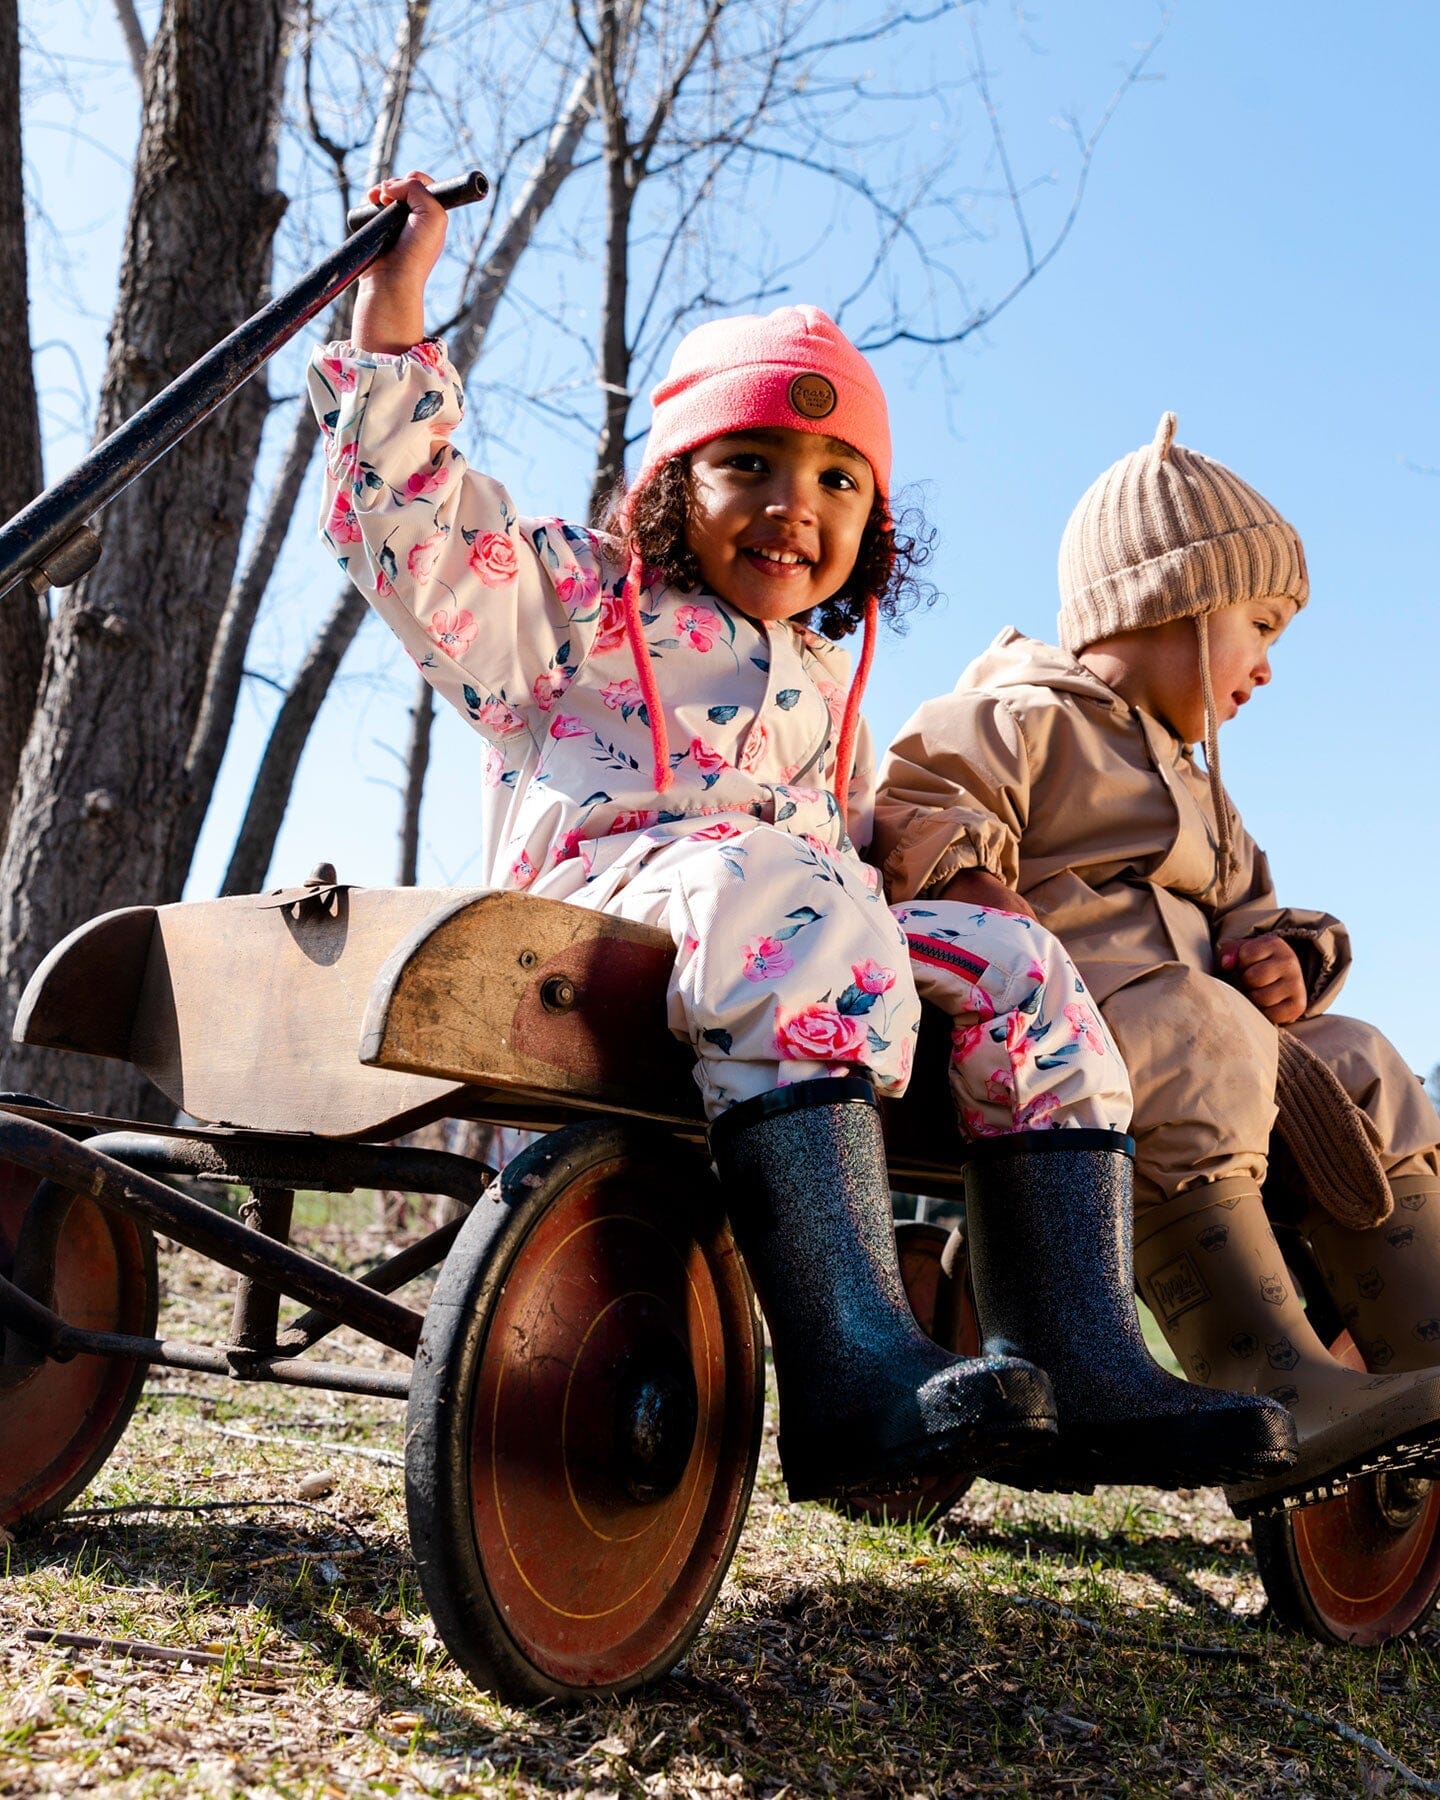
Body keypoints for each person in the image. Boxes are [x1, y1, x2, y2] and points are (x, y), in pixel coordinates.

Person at [308, 176, 1292, 1502]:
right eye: (750, 465)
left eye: (839, 479)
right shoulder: (581, 607)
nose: (796, 504)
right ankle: (847, 1363)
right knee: (792, 888)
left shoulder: (825, 684)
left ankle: (1082, 1350)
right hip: (619, 910)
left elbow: (876, 830)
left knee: (1015, 963)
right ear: (671, 485)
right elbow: (413, 526)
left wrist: (959, 875)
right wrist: (397, 315)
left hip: (793, 931)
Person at [874, 410, 1440, 1512]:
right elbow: (923, 804)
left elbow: (1259, 913)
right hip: (1065, 1038)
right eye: (1259, 625)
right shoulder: (1019, 713)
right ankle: (1269, 1369)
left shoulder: (1205, 793)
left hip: (1211, 1038)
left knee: (1365, 1059)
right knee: (1202, 1027)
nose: (1268, 669)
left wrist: (1284, 957)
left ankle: (1417, 1335)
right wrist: (981, 891)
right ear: (1168, 603)